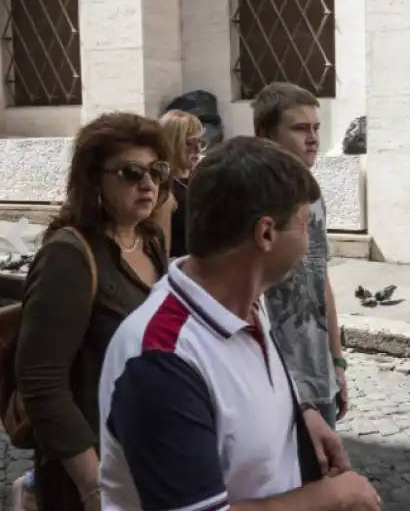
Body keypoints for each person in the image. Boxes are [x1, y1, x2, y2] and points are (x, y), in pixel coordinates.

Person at [97, 136, 381, 511]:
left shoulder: (245, 302)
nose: (308, 244)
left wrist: (301, 417)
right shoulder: (160, 360)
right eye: (304, 226)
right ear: (265, 233)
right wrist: (334, 496)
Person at [15, 112, 171, 511]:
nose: (149, 184)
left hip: (149, 455)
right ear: (93, 180)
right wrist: (93, 485)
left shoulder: (149, 240)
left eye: (156, 170)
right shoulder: (68, 256)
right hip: (91, 472)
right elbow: (41, 382)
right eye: (132, 173)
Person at [252, 82, 347, 429]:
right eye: (300, 128)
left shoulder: (312, 193)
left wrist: (337, 361)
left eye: (316, 128)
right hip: (273, 378)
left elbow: (320, 277)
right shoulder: (252, 198)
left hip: (317, 372)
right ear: (267, 133)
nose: (313, 139)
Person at [151, 109, 205, 258]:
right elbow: (163, 254)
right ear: (172, 144)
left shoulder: (199, 178)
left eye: (199, 142)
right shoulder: (163, 189)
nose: (197, 149)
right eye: (189, 143)